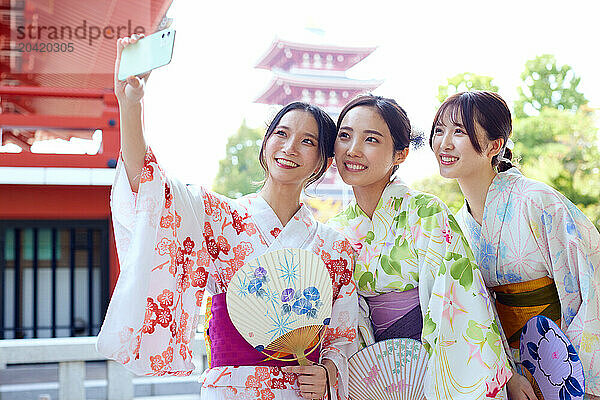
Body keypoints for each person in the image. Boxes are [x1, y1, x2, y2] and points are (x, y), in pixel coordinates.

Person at [96, 34, 358, 400]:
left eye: (307, 141)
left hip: (301, 391)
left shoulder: (336, 247)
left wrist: (328, 373)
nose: (289, 147)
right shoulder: (219, 215)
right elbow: (149, 185)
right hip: (231, 388)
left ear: (324, 162)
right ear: (265, 144)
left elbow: (342, 338)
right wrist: (131, 105)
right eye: (281, 134)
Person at [327, 94, 511, 399]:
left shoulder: (426, 212)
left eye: (371, 139)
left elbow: (461, 300)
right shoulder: (335, 231)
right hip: (373, 377)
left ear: (400, 154)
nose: (353, 150)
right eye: (344, 136)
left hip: (432, 369)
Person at [430, 90, 600, 399]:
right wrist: (505, 374)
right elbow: (470, 313)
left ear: (494, 145)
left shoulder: (537, 201)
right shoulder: (457, 225)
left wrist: (580, 379)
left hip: (565, 369)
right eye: (439, 130)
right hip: (505, 376)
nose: (444, 142)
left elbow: (589, 283)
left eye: (459, 131)